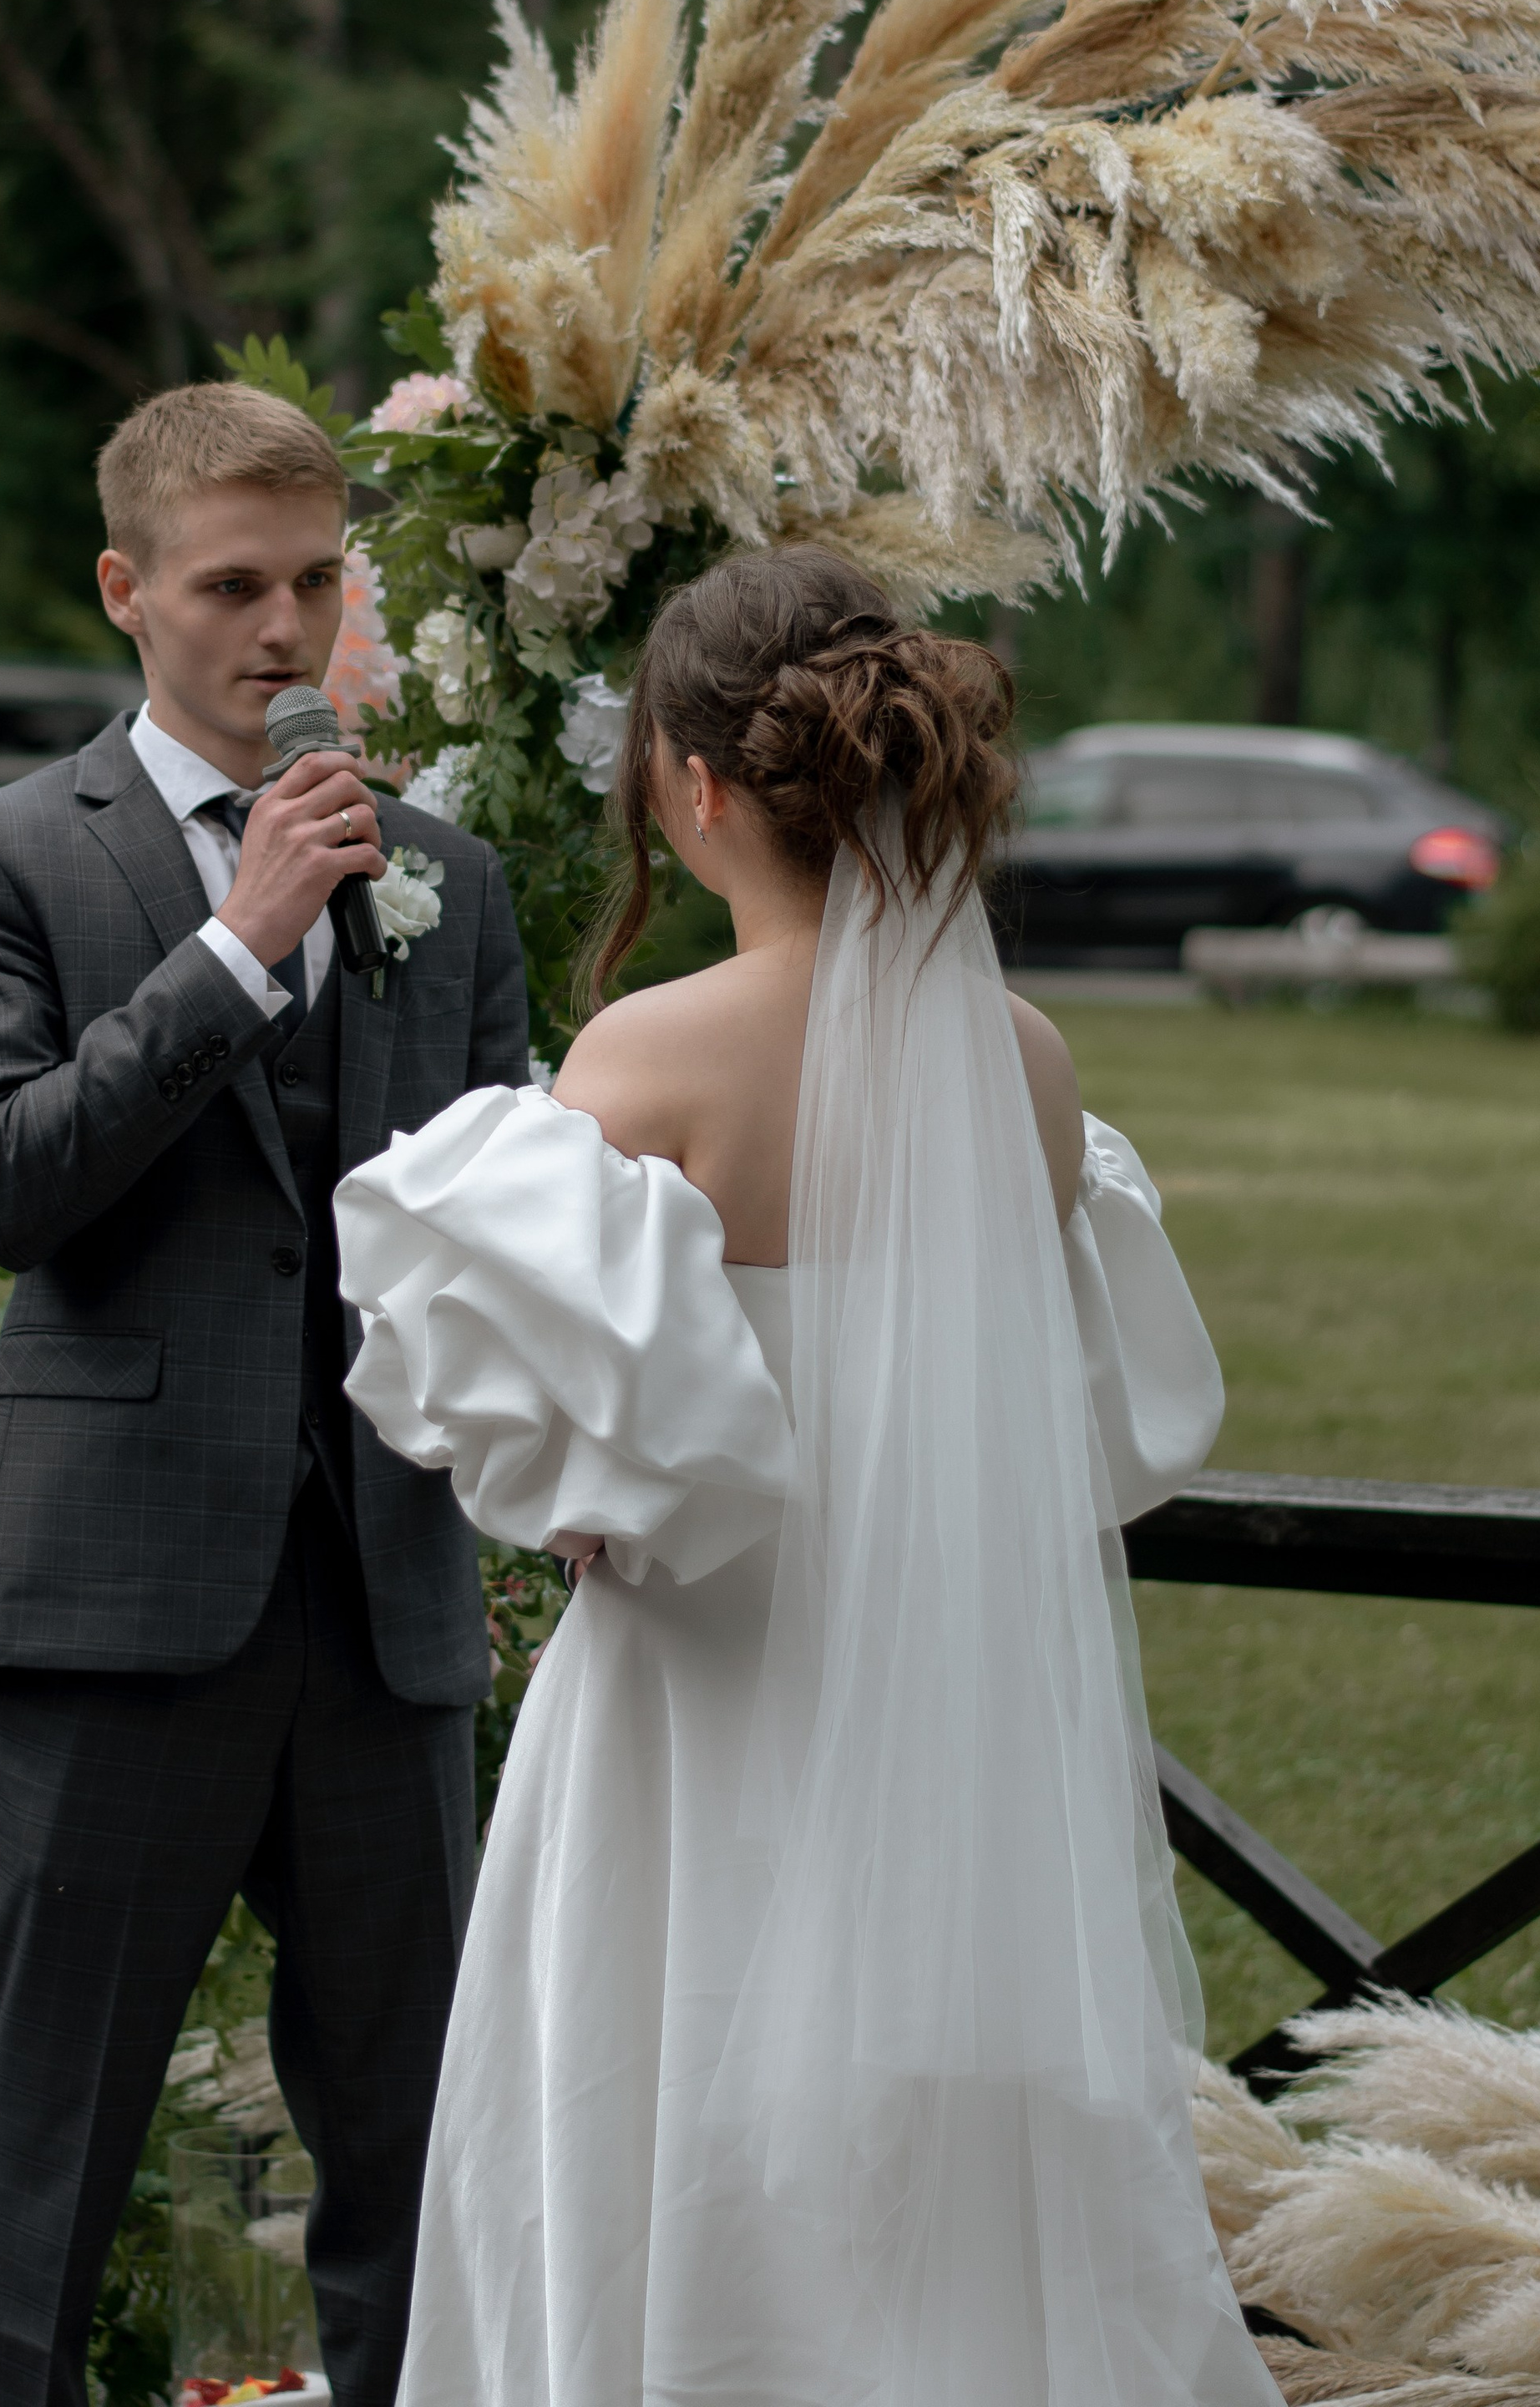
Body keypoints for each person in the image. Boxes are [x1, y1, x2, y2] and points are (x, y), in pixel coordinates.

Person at [336, 545, 1284, 2407]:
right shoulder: (1017, 1065)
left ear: (691, 786)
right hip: (951, 1725)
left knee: (651, 2116)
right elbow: (1074, 1425)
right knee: (963, 2174)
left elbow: (552, 1451)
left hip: (695, 1724)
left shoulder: (648, 1055)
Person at [0, 381, 529, 2407]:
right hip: (121, 1603)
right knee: (49, 2147)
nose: (285, 629)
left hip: (383, 1604)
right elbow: (4, 1186)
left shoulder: (444, 881)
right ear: (125, 590)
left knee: (419, 2144)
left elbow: (509, 1223)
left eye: (318, 581)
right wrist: (240, 943)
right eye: (231, 585)